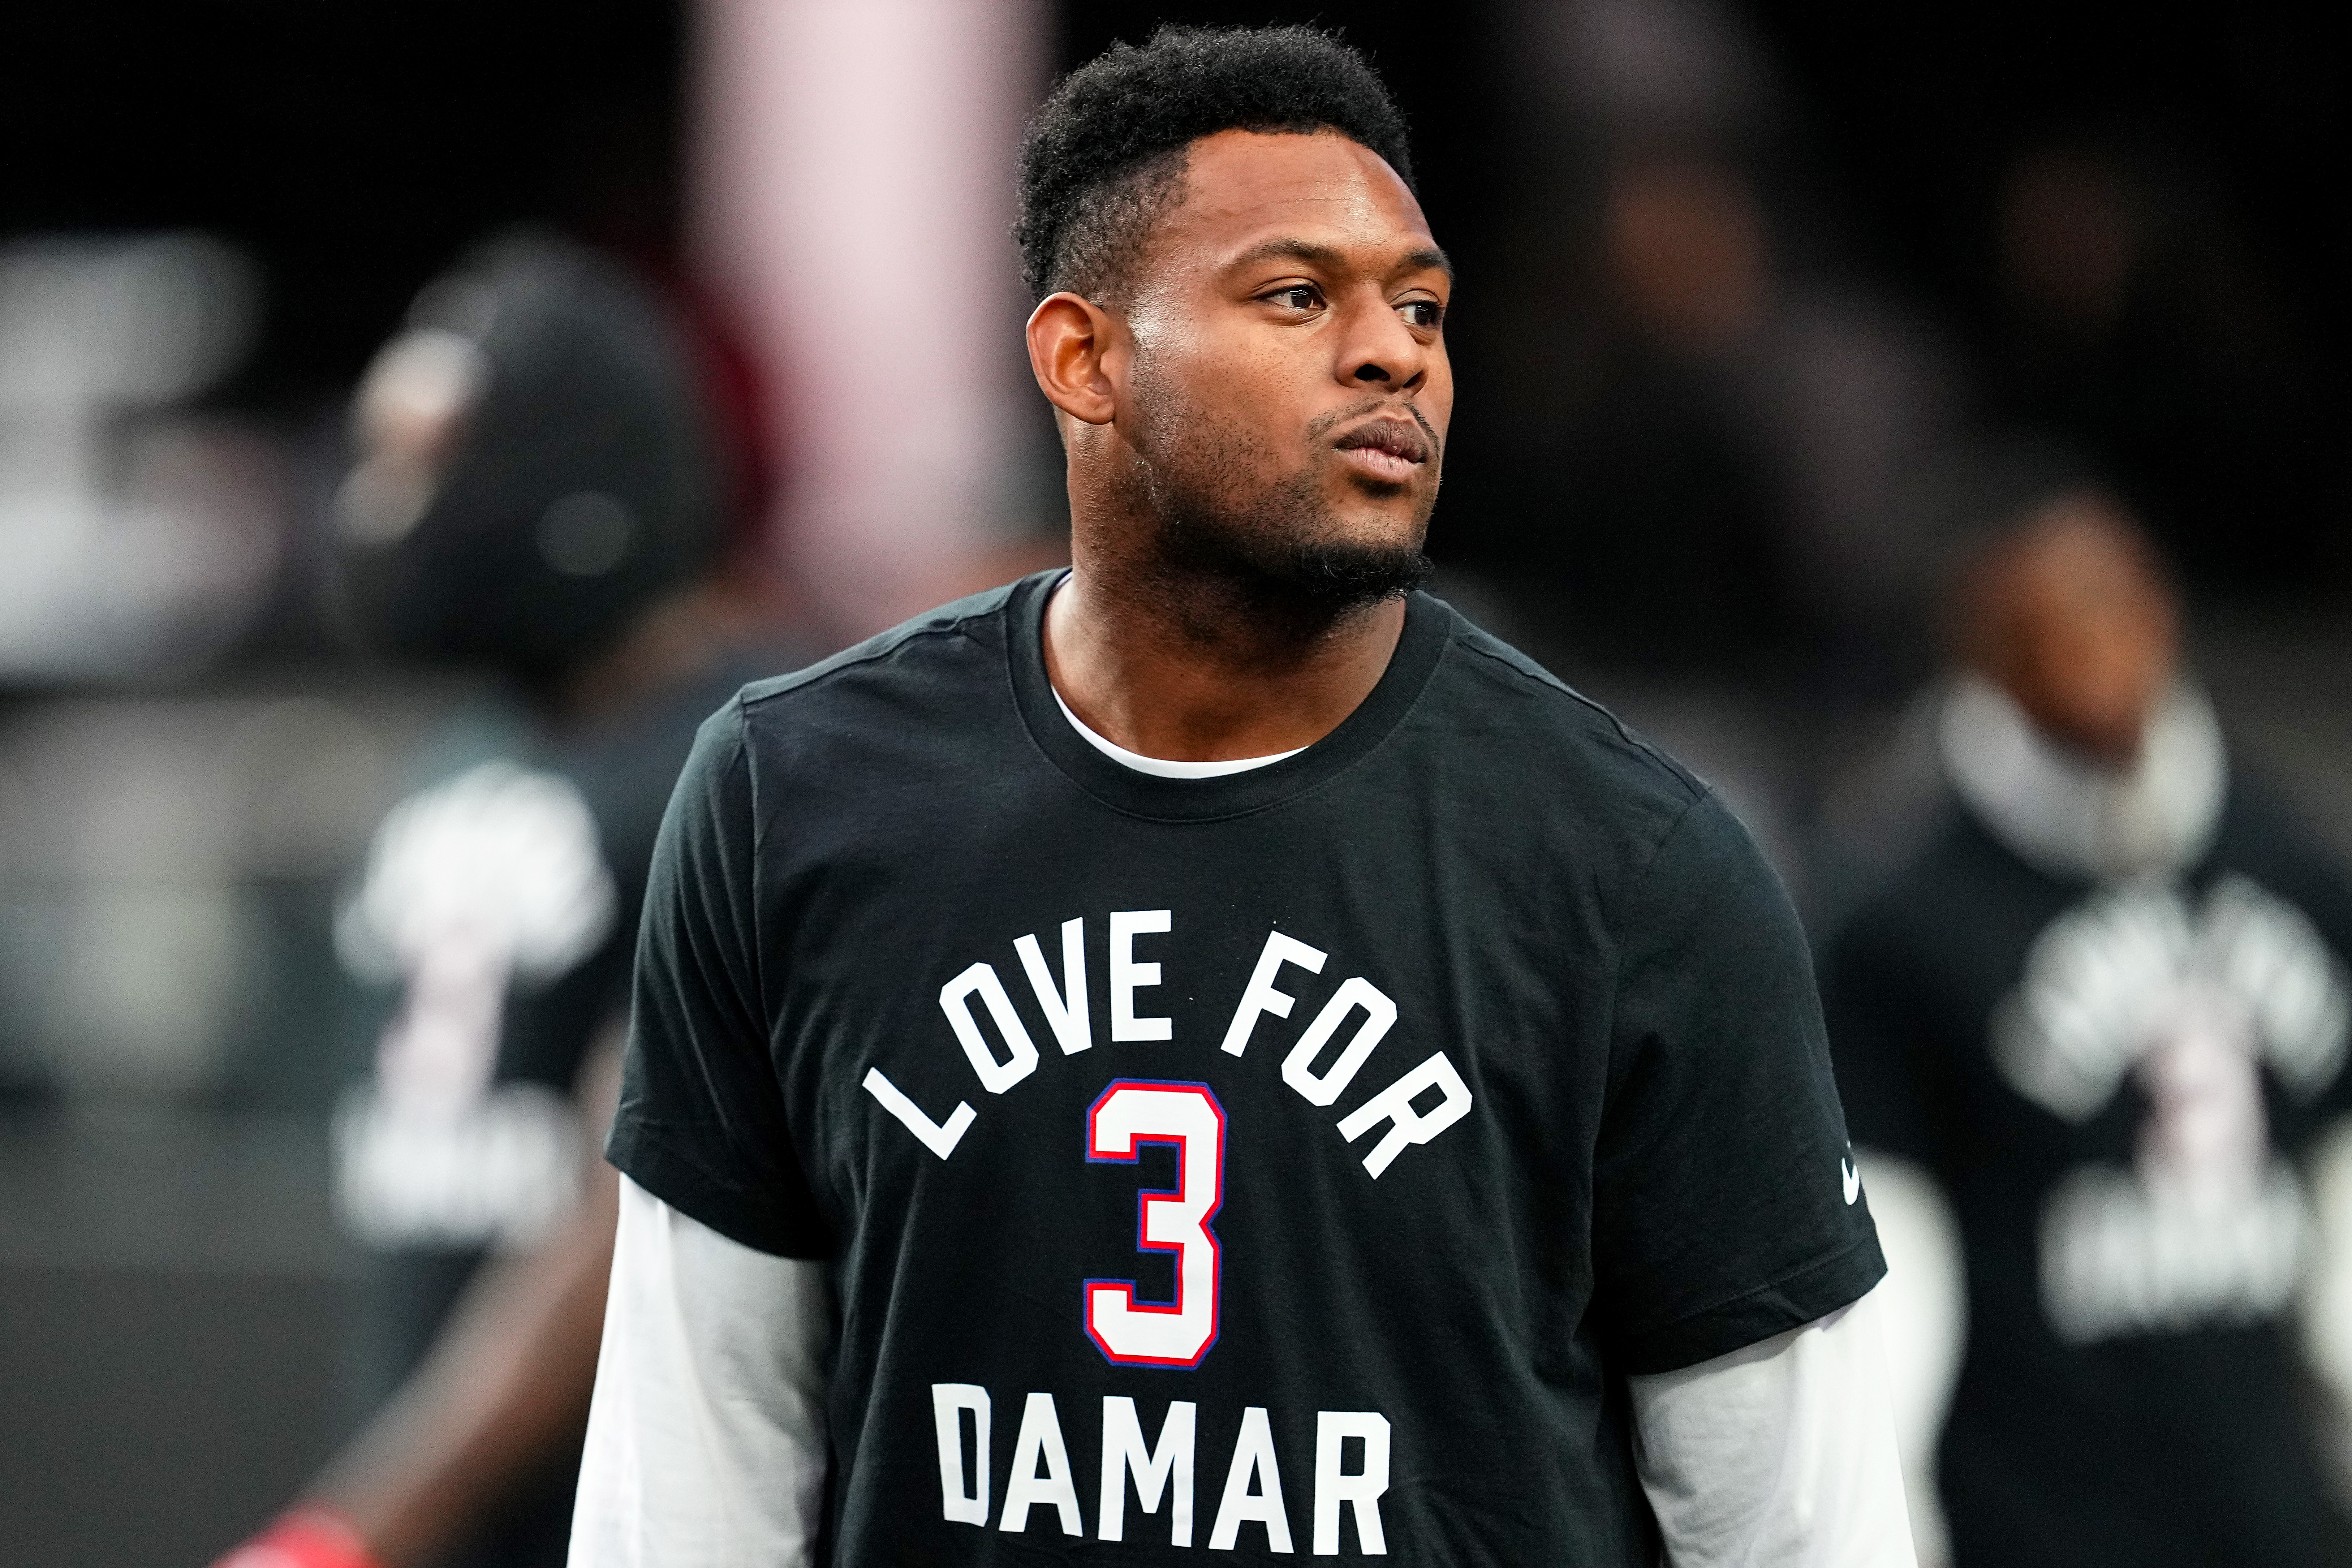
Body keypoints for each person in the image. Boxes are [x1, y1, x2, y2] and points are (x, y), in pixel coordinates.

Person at [573, 25, 1914, 1566]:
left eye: (1418, 304)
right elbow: (689, 1480)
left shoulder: (1633, 871)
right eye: (1297, 295)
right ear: (1084, 357)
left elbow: (1800, 1530)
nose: (1391, 351)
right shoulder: (793, 795)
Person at [215, 236, 800, 1568]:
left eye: (428, 456)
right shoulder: (470, 750)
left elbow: (638, 1197)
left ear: (567, 465)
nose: (383, 504)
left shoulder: (759, 756)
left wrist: (352, 1531)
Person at [1822, 469, 2352, 1567]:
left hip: (2271, 1514)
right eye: (2052, 619)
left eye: (2119, 603)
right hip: (2040, 1518)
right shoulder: (1902, 922)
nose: (2096, 644)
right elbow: (1895, 1277)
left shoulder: (2290, 867)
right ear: (1984, 650)